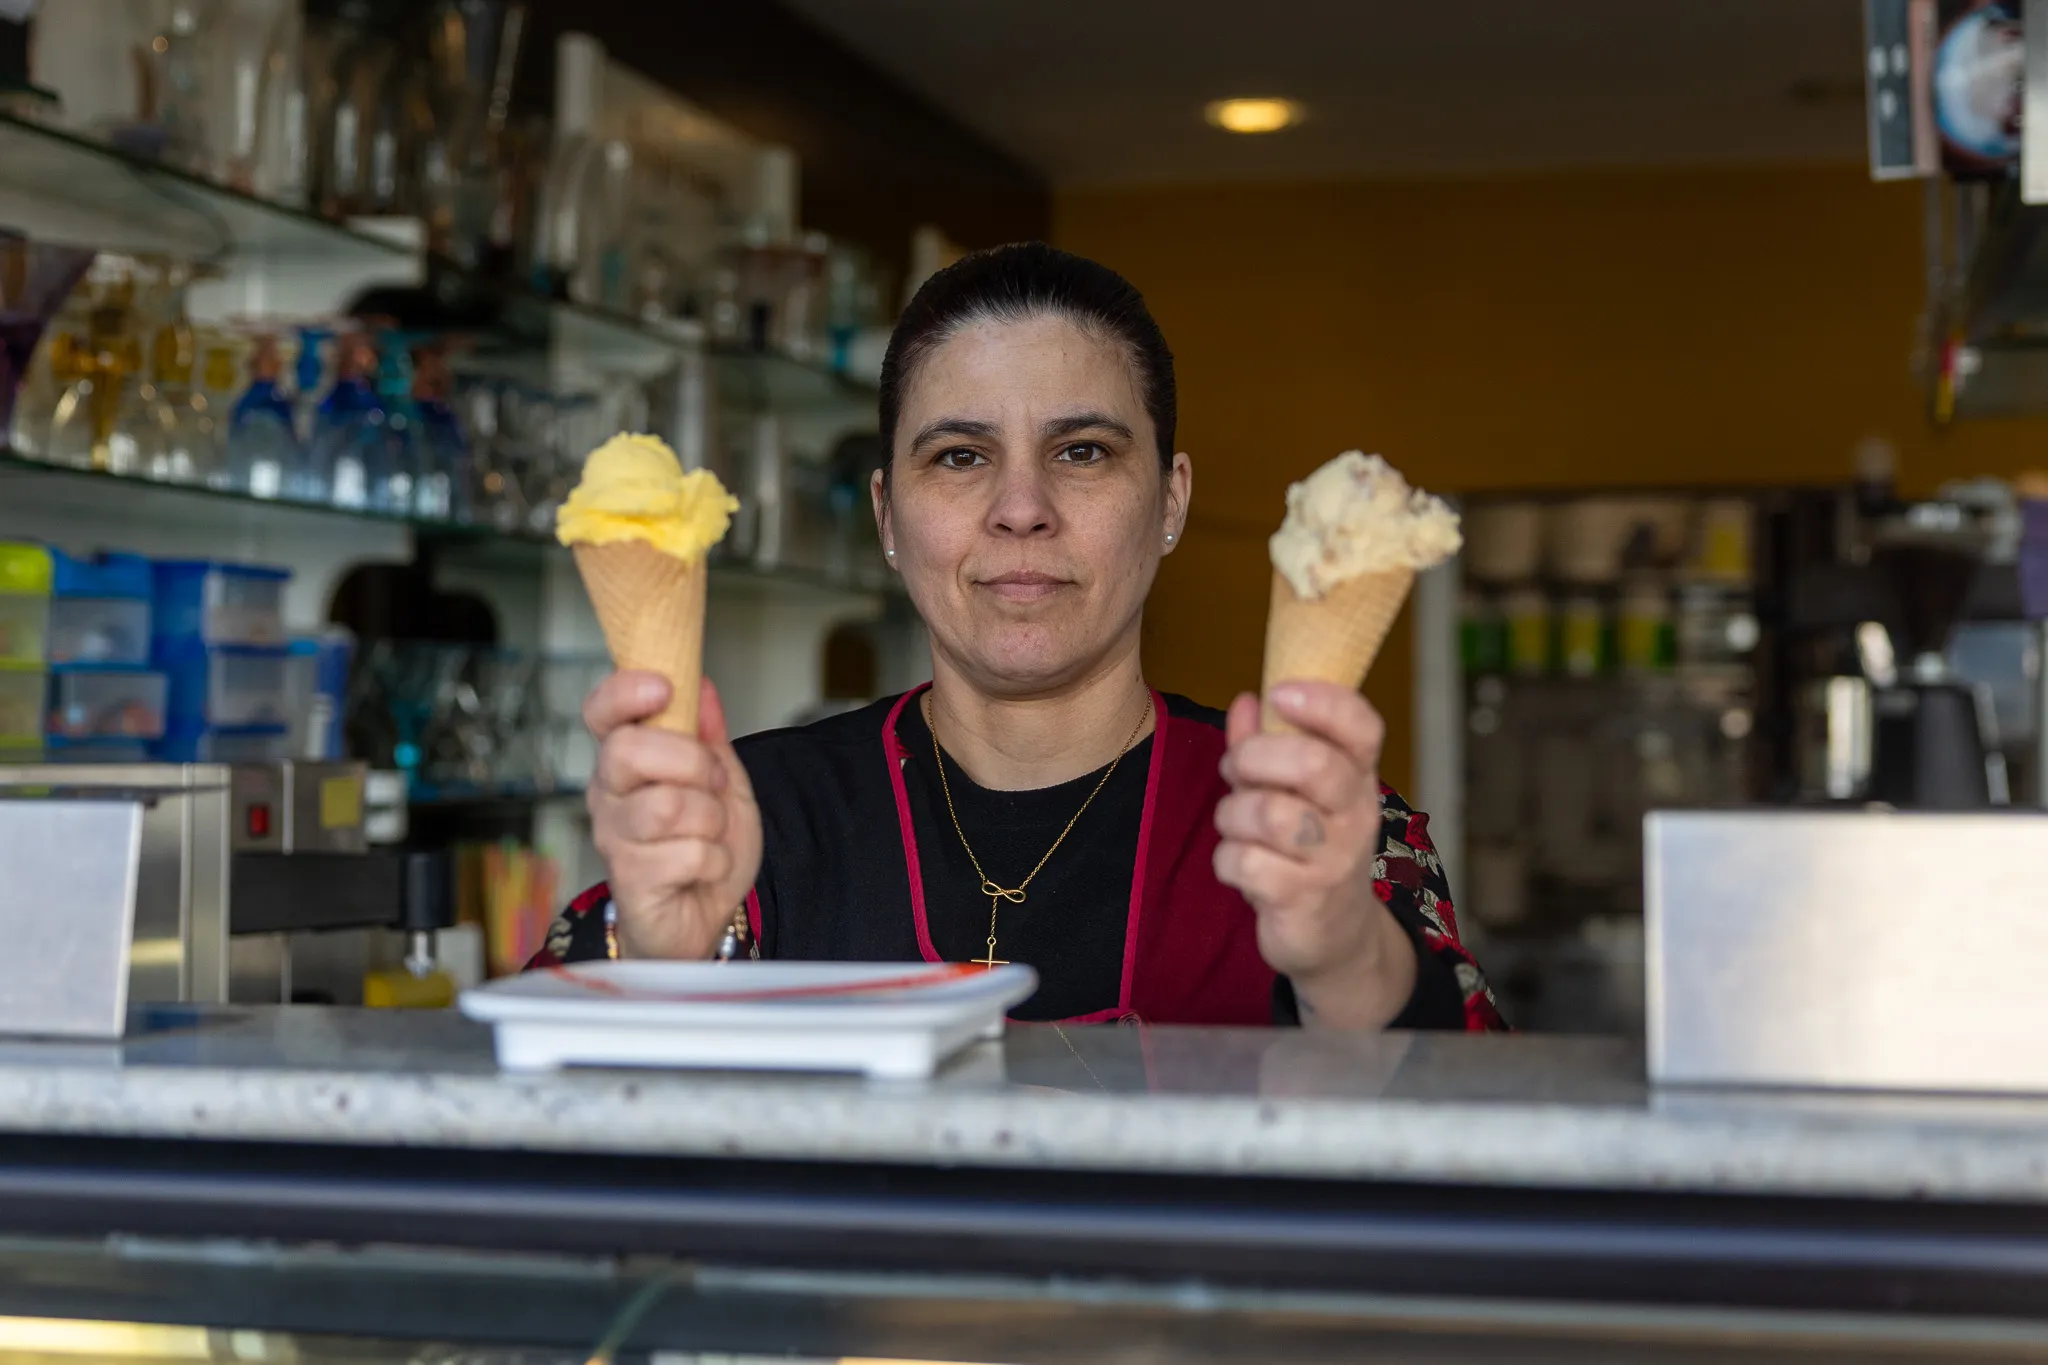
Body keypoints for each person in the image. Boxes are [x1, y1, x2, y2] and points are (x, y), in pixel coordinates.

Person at [532, 243, 1504, 1031]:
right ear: (885, 515)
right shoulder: (743, 817)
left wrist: (1341, 948)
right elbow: (500, 1124)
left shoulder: (1322, 829)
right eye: (960, 457)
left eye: (1081, 452)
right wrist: (662, 959)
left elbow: (1489, 1148)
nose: (1021, 509)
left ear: (1169, 502)